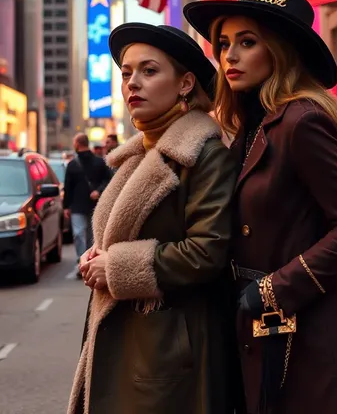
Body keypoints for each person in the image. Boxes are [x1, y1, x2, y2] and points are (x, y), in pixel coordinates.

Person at [184, 0, 337, 414]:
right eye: (224, 42)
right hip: (278, 329)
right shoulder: (252, 125)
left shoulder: (301, 121)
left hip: (322, 332)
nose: (229, 54)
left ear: (279, 48)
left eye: (247, 42)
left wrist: (272, 289)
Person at [67, 24, 237, 414]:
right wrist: (99, 254)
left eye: (149, 71)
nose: (133, 83)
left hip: (171, 350)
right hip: (134, 340)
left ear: (185, 83)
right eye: (127, 73)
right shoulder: (141, 151)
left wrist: (117, 266)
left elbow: (207, 251)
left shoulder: (205, 154)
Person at [63, 134, 112, 274]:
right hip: (80, 206)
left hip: (93, 205)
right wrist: (67, 206)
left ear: (78, 144)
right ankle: (81, 260)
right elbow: (68, 187)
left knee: (89, 235)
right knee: (80, 233)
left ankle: (89, 262)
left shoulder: (98, 162)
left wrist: (98, 191)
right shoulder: (73, 164)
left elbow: (108, 180)